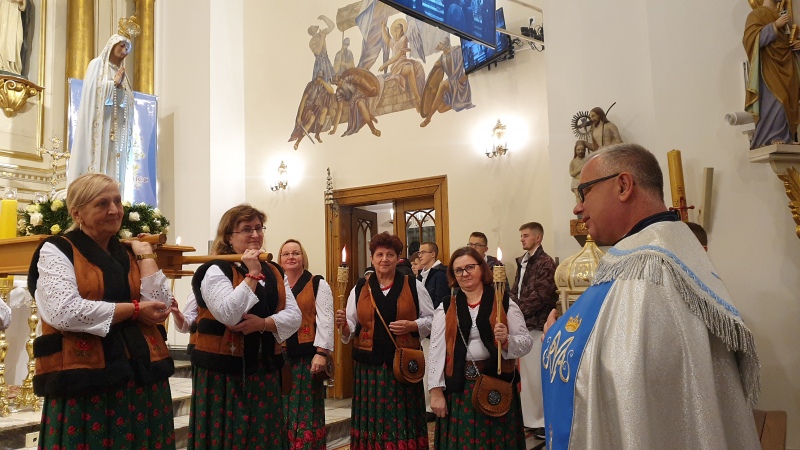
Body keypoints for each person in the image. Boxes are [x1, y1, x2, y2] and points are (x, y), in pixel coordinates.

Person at [542, 143, 760, 449]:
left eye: (584, 192)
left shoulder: (648, 269)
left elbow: (626, 375)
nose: (577, 208)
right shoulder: (669, 250)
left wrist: (557, 340)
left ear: (623, 186)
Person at [28, 173, 175, 449]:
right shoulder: (57, 249)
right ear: (77, 213)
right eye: (102, 203)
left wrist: (145, 254)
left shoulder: (129, 252)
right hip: (84, 378)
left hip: (141, 374)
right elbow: (63, 311)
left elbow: (160, 306)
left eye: (117, 201)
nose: (114, 210)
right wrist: (133, 310)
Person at [188, 204, 302, 449]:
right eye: (246, 229)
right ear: (229, 237)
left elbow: (294, 316)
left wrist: (263, 324)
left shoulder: (274, 271)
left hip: (264, 368)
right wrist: (252, 274)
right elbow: (229, 314)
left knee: (263, 436)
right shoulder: (215, 270)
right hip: (223, 372)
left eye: (259, 228)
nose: (255, 234)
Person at [335, 232, 434, 449]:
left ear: (398, 258)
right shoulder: (360, 288)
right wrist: (344, 325)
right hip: (368, 368)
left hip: (402, 365)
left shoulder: (413, 285)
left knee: (402, 418)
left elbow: (431, 320)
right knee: (373, 420)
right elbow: (351, 325)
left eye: (390, 254)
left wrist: (412, 325)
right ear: (372, 258)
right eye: (379, 255)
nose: (384, 259)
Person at [428, 247, 532, 449]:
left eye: (470, 267)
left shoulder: (503, 302)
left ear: (482, 269)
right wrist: (436, 392)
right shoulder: (446, 307)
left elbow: (526, 343)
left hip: (497, 384)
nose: (464, 273)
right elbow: (436, 352)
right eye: (458, 270)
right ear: (453, 276)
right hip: (460, 389)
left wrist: (507, 341)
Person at [278, 239, 334, 450]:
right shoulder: (277, 285)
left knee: (305, 410)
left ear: (303, 258)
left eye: (296, 253)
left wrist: (322, 352)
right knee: (280, 410)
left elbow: (326, 320)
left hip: (307, 359)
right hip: (279, 358)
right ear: (280, 259)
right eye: (286, 254)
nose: (291, 257)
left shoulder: (317, 284)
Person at [68, 34, 135, 194]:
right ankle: (92, 193)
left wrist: (121, 89)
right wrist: (113, 84)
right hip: (99, 124)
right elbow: (93, 92)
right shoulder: (97, 64)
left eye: (127, 49)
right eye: (122, 46)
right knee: (98, 158)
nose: (124, 51)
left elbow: (127, 101)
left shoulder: (122, 74)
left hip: (115, 128)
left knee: (112, 162)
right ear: (112, 45)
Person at [508, 221, 557, 439]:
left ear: (538, 237)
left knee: (537, 376)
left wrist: (517, 311)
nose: (522, 239)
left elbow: (541, 295)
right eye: (521, 236)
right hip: (523, 324)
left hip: (537, 324)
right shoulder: (523, 262)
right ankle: (529, 418)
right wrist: (509, 306)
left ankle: (543, 420)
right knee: (526, 378)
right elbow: (515, 290)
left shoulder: (545, 262)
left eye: (526, 235)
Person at [744, 0, 800, 149]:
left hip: (787, 66)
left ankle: (787, 136)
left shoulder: (784, 15)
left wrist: (797, 46)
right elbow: (750, 40)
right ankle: (772, 136)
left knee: (787, 100)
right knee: (777, 101)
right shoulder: (756, 15)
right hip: (769, 67)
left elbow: (788, 41)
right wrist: (774, 26)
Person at [420, 36, 473, 127]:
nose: (437, 45)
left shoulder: (457, 50)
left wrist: (465, 75)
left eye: (439, 43)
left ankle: (428, 118)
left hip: (460, 82)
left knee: (443, 85)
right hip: (452, 83)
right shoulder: (442, 57)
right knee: (440, 109)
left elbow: (469, 59)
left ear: (444, 43)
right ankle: (459, 102)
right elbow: (435, 72)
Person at [378, 18, 425, 112]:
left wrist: (384, 65)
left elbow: (397, 56)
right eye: (395, 28)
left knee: (415, 66)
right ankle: (417, 97)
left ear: (402, 30)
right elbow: (387, 40)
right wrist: (383, 27)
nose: (396, 29)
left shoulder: (404, 38)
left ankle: (417, 96)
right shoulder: (393, 41)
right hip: (396, 66)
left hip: (402, 62)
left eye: (398, 28)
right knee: (410, 68)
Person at [289, 70, 336, 149]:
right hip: (307, 107)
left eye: (321, 77)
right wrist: (299, 116)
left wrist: (323, 82)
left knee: (324, 110)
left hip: (315, 107)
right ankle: (298, 142)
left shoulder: (322, 86)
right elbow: (303, 101)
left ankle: (317, 134)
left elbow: (331, 91)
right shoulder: (311, 85)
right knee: (312, 118)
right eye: (318, 77)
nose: (319, 79)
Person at [417, 241, 449, 308]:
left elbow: (440, 302)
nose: (420, 256)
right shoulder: (420, 276)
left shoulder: (441, 275)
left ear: (433, 254)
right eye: (419, 253)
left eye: (423, 252)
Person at [0, 0, 26, 75]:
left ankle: (12, 66)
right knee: (3, 37)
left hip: (15, 12)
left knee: (18, 39)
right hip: (4, 9)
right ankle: (3, 63)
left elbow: (23, 5)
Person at [308, 15, 336, 83]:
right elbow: (318, 52)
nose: (314, 26)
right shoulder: (312, 42)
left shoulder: (321, 33)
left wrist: (324, 18)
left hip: (326, 61)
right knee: (320, 83)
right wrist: (322, 37)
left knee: (330, 81)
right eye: (312, 27)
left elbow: (332, 26)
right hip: (319, 64)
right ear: (311, 31)